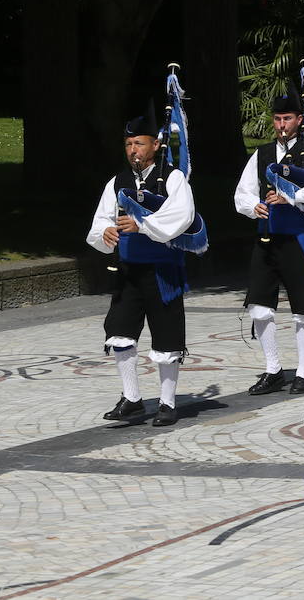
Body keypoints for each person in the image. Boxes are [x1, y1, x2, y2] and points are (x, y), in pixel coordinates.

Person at [87, 108, 204, 427]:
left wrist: (143, 226)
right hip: (128, 271)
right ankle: (132, 398)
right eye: (128, 145)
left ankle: (167, 403)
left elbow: (182, 217)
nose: (133, 150)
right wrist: (105, 233)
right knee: (120, 332)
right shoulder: (118, 181)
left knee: (166, 337)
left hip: (163, 270)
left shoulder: (173, 178)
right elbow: (100, 221)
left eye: (139, 143)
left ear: (155, 145)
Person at [233, 88, 304, 396]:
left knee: (303, 308)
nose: (282, 125)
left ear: (299, 120)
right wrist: (253, 206)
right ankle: (273, 369)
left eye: (288, 119)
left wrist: (294, 197)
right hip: (266, 238)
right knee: (259, 307)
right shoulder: (263, 153)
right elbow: (242, 192)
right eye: (278, 119)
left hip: (298, 238)